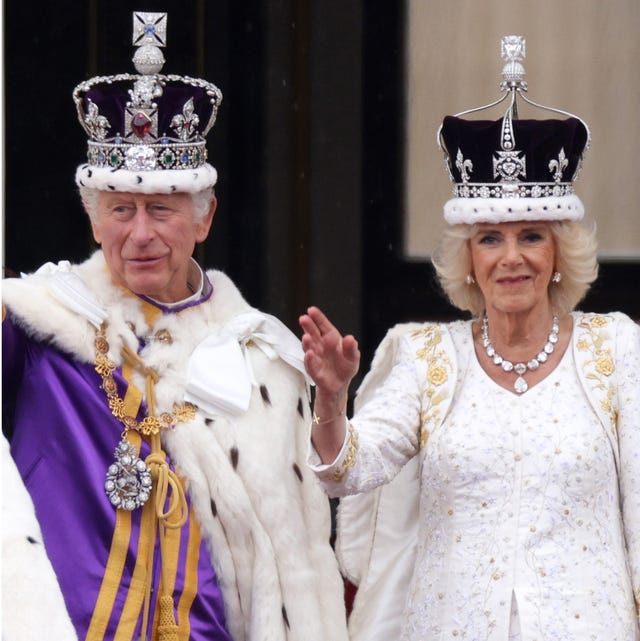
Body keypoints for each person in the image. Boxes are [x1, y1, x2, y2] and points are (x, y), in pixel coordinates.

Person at [2, 11, 348, 641]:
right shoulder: (37, 323)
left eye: (160, 210)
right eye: (120, 210)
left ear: (204, 217)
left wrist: (330, 402)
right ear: (93, 220)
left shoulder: (259, 353)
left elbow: (294, 548)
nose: (139, 234)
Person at [299, 36, 640, 641]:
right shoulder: (427, 356)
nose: (512, 258)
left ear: (559, 251)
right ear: (469, 259)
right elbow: (346, 472)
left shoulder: (615, 350)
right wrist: (331, 400)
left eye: (531, 236)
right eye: (490, 239)